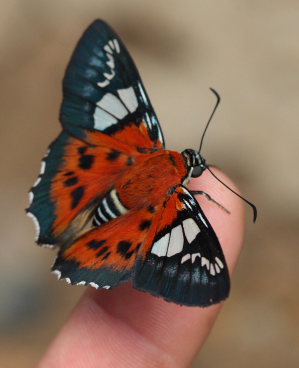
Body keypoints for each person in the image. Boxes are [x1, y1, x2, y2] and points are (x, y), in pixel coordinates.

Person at [38, 169, 245, 367]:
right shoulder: (179, 199)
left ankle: (76, 236)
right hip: (117, 227)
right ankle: (82, 246)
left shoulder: (156, 162)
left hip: (97, 197)